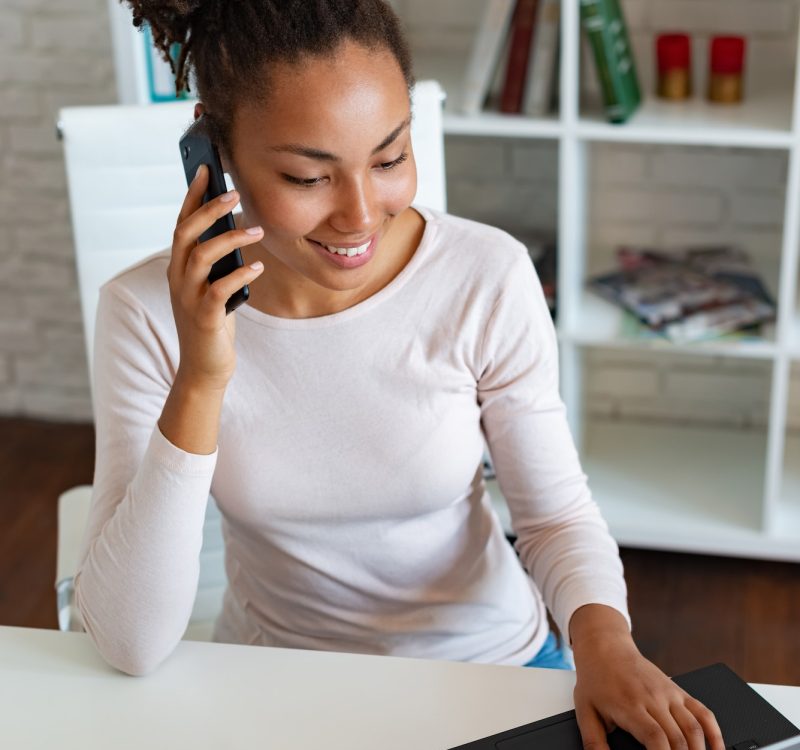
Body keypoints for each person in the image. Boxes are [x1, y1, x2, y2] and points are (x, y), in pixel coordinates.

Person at [76, 2, 724, 748]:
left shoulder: (486, 277)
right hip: (278, 689)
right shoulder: (145, 315)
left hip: (493, 671)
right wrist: (201, 376)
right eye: (307, 175)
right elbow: (128, 641)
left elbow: (552, 516)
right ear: (213, 158)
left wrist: (605, 645)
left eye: (389, 159)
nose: (359, 215)